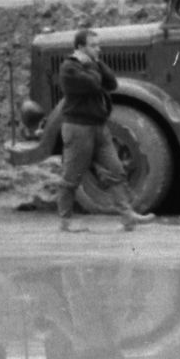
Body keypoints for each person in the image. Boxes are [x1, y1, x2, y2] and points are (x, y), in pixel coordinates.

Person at [56, 26, 146, 232]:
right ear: (80, 47)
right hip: (78, 127)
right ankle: (65, 221)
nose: (99, 49)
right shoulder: (69, 68)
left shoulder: (91, 64)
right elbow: (94, 83)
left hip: (98, 126)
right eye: (94, 46)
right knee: (72, 176)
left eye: (99, 45)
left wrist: (95, 62)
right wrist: (92, 65)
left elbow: (111, 82)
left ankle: (127, 216)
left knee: (115, 170)